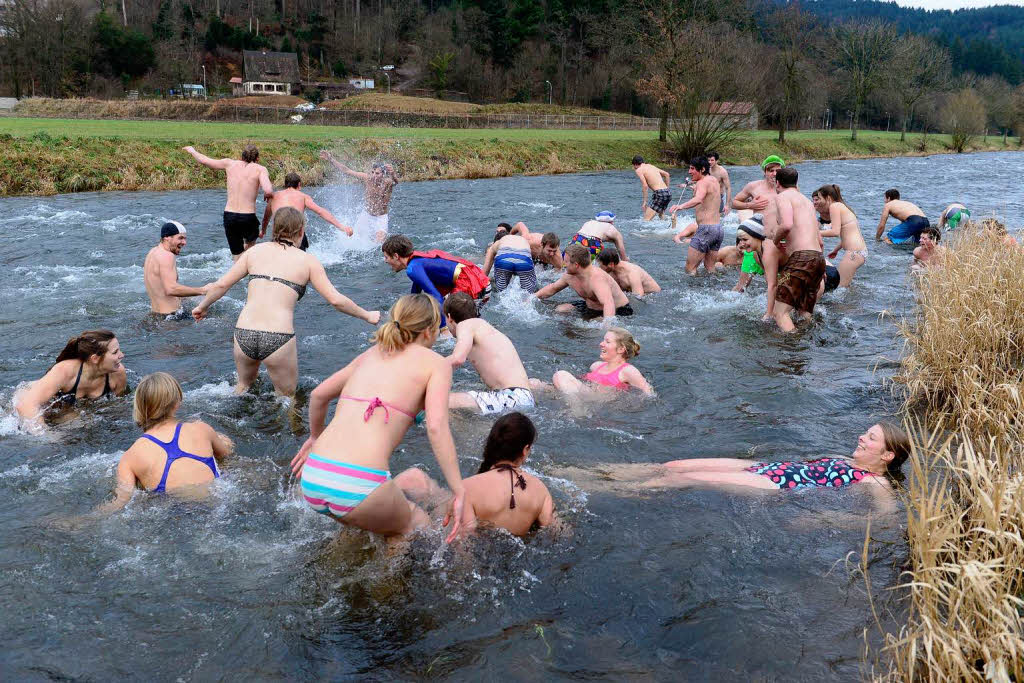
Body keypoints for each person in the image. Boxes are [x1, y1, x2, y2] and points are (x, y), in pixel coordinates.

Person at [289, 294, 467, 541]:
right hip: (357, 484)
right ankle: (389, 580)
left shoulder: (372, 353)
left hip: (314, 476)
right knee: (414, 525)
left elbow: (319, 395)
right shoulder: (436, 364)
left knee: (363, 521)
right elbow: (436, 427)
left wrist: (314, 437)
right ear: (429, 331)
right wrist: (459, 491)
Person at [192, 207, 380, 397]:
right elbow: (335, 300)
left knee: (242, 388)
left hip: (244, 334)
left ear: (274, 228)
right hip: (278, 337)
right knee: (287, 398)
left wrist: (202, 306)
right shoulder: (308, 261)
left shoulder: (254, 252)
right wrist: (367, 315)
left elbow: (222, 284)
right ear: (300, 231)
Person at [558, 423, 909, 503]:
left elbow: (881, 522)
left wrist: (819, 523)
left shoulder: (876, 483)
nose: (862, 438)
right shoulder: (845, 459)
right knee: (675, 465)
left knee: (682, 481)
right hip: (766, 468)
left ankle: (589, 490)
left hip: (776, 487)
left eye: (871, 438)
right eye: (866, 433)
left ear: (887, 456)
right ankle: (582, 472)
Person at [394, 412, 555, 537]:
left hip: (455, 530)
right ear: (525, 450)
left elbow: (461, 541)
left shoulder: (468, 487)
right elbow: (555, 531)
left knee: (413, 477)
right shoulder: (541, 491)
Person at [99, 372, 234, 510]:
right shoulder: (201, 429)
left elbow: (121, 501)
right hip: (216, 499)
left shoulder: (130, 457)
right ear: (177, 402)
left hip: (172, 509)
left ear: (140, 406)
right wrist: (222, 440)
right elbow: (227, 454)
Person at [443, 293, 535, 415]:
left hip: (510, 397)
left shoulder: (464, 326)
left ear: (449, 317)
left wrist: (429, 371)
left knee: (441, 401)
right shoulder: (483, 327)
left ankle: (470, 433)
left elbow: (458, 358)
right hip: (524, 397)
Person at [15, 330, 128, 426]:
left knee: (83, 422)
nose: (122, 355)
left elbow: (118, 405)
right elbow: (25, 406)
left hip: (69, 409)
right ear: (95, 358)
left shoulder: (118, 373)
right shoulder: (64, 371)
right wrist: (47, 437)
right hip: (26, 399)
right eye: (115, 352)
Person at [182, 145, 274, 260]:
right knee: (250, 246)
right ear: (257, 158)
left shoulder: (229, 163)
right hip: (248, 217)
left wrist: (192, 151)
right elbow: (269, 190)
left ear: (241, 157)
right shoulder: (260, 169)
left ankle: (237, 269)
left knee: (236, 254)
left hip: (229, 216)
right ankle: (248, 269)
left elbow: (204, 160)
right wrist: (267, 194)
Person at [382, 235, 491, 328]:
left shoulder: (412, 269)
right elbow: (415, 296)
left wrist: (443, 329)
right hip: (481, 283)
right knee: (468, 325)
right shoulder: (416, 261)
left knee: (455, 325)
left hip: (473, 287)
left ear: (396, 256)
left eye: (386, 257)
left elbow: (436, 297)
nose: (385, 261)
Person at [763, 167, 824, 333]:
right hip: (818, 258)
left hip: (801, 259)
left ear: (777, 183)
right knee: (803, 311)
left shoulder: (782, 197)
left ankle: (794, 347)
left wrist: (776, 240)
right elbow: (820, 240)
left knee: (779, 313)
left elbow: (787, 224)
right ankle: (806, 344)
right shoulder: (807, 202)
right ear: (796, 182)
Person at [535, 244, 633, 320]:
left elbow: (608, 303)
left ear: (576, 265)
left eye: (566, 262)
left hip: (619, 310)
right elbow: (552, 288)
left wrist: (607, 328)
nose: (563, 264)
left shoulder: (597, 278)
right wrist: (531, 298)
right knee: (560, 310)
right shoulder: (570, 276)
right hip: (591, 307)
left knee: (593, 326)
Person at [261, 172, 353, 250]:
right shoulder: (303, 197)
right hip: (296, 235)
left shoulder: (274, 196)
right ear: (299, 185)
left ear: (285, 184)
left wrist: (263, 231)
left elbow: (266, 217)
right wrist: (342, 227)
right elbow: (320, 212)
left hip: (278, 234)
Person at [549, 327, 654, 395]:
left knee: (561, 375)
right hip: (584, 395)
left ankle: (577, 413)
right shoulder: (596, 366)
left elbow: (649, 395)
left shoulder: (628, 371)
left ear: (621, 349)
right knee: (534, 383)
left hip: (598, 403)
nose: (601, 344)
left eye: (607, 342)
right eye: (603, 340)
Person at [320, 151, 397, 241]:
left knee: (379, 242)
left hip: (381, 217)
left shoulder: (387, 182)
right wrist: (331, 159)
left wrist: (392, 173)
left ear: (383, 174)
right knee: (354, 238)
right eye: (372, 172)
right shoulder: (367, 178)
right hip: (367, 215)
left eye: (377, 173)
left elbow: (395, 182)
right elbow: (347, 170)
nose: (374, 176)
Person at [668, 156, 722, 275]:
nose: (689, 171)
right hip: (718, 229)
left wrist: (680, 206)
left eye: (692, 169)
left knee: (690, 268)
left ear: (702, 169)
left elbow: (698, 199)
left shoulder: (702, 182)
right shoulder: (713, 180)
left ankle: (691, 292)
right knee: (710, 269)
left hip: (706, 230)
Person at [143, 221, 208, 318]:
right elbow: (171, 289)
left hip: (156, 315)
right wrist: (203, 290)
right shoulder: (167, 256)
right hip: (171, 317)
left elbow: (161, 289)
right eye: (180, 238)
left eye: (185, 239)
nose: (184, 243)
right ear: (167, 237)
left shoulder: (153, 252)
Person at [813, 184, 867, 288]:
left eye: (819, 198)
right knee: (845, 286)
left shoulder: (834, 206)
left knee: (839, 287)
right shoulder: (841, 206)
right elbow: (848, 234)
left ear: (828, 197)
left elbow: (835, 232)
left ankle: (843, 305)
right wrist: (836, 250)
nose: (818, 201)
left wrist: (813, 232)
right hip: (859, 252)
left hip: (854, 253)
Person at [482, 225, 539, 293]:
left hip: (504, 259)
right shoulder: (523, 239)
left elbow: (484, 272)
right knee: (530, 294)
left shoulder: (495, 244)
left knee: (501, 293)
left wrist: (480, 284)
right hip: (523, 258)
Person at [732, 155, 784, 219]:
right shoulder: (753, 186)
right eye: (771, 171)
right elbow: (734, 203)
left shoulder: (787, 187)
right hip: (760, 228)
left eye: (778, 171)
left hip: (780, 228)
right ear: (765, 172)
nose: (775, 174)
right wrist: (750, 205)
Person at [597, 248, 661, 296]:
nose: (599, 268)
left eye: (601, 266)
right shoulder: (611, 272)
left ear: (611, 264)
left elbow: (638, 298)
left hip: (655, 296)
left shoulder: (632, 273)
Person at [632, 155, 672, 220]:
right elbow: (667, 174)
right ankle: (671, 226)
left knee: (646, 220)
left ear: (635, 164)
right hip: (668, 193)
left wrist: (645, 202)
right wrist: (667, 189)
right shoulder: (651, 166)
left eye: (634, 167)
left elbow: (645, 186)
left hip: (659, 194)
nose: (634, 168)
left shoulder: (639, 170)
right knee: (661, 216)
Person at [708, 150, 732, 218]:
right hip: (709, 196)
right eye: (708, 160)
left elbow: (728, 188)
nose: (710, 162)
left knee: (719, 218)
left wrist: (727, 205)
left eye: (712, 160)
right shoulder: (707, 169)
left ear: (716, 161)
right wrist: (689, 183)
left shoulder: (722, 172)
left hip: (720, 197)